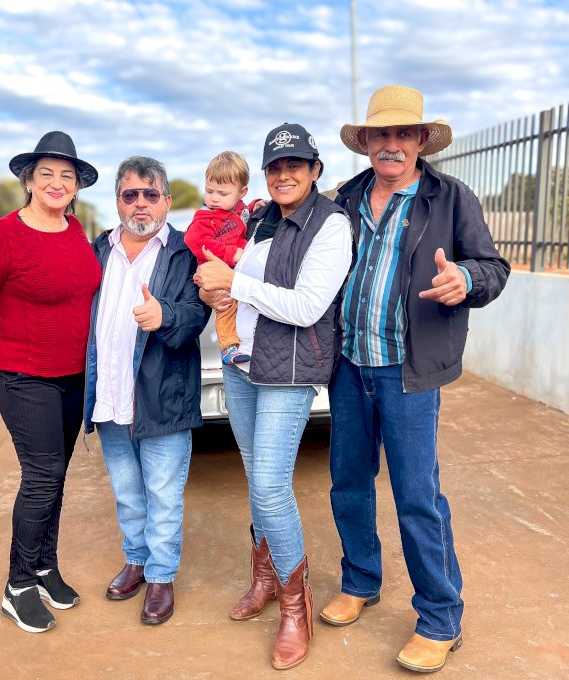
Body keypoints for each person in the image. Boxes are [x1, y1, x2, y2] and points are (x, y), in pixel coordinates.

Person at [319, 85, 510, 673]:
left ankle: (439, 616)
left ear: (422, 140)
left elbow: (493, 266)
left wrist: (467, 282)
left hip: (408, 372)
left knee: (416, 496)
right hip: (349, 366)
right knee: (348, 483)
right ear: (367, 142)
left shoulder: (450, 198)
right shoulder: (344, 199)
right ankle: (360, 581)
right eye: (382, 134)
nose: (393, 144)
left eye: (405, 134)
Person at [195, 123, 352, 669]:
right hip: (243, 365)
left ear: (314, 171)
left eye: (295, 166)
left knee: (269, 487)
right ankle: (263, 577)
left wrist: (232, 283)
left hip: (288, 373)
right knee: (251, 471)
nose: (284, 175)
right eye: (275, 167)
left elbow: (308, 306)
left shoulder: (331, 225)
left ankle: (295, 606)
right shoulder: (260, 218)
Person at [0, 131, 101, 634]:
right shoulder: (4, 234)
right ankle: (18, 586)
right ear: (28, 180)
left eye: (67, 176)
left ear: (76, 189)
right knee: (42, 475)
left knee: (57, 475)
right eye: (46, 173)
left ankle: (45, 566)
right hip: (23, 376)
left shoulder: (75, 231)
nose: (57, 183)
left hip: (73, 376)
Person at [84, 156, 210, 626]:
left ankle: (161, 575)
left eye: (150, 194)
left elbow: (197, 316)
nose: (140, 203)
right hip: (109, 395)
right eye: (130, 194)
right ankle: (136, 561)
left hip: (162, 399)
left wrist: (167, 317)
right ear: (117, 200)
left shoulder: (183, 252)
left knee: (162, 492)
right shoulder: (99, 249)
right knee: (126, 491)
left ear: (167, 201)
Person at [184, 150, 250, 365]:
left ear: (242, 192)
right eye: (209, 191)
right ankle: (228, 347)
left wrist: (257, 204)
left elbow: (245, 212)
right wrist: (233, 253)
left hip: (231, 274)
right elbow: (197, 243)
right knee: (226, 304)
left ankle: (238, 342)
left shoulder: (237, 212)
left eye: (222, 194)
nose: (214, 198)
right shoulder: (205, 216)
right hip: (211, 275)